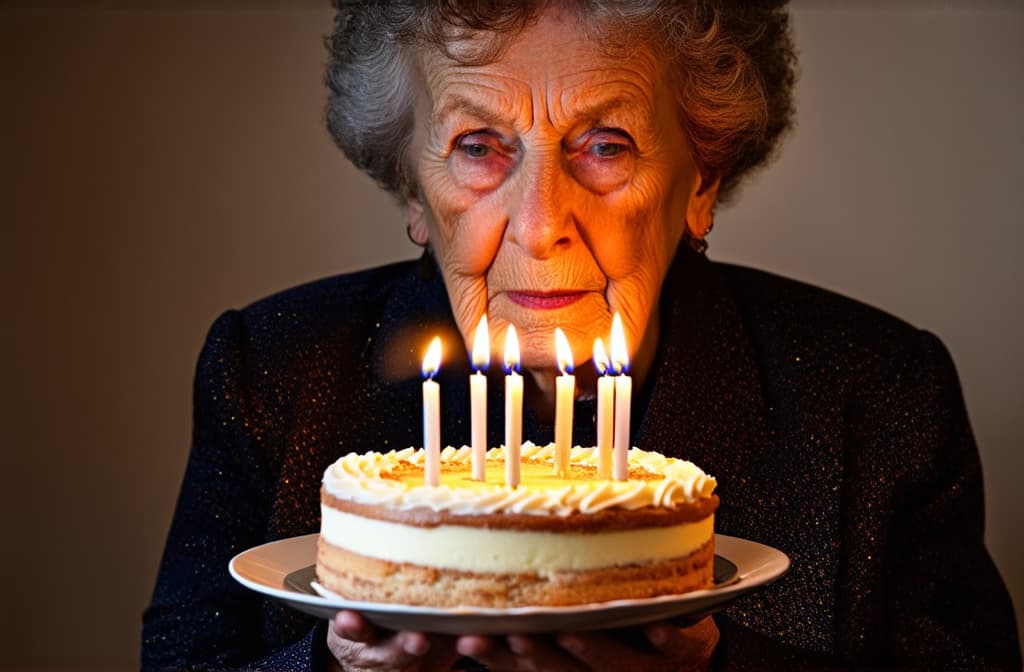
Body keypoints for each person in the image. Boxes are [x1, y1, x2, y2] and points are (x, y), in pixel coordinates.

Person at [143, 1, 1021, 670]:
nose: (539, 224)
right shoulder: (273, 369)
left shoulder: (878, 392)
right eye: (480, 146)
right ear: (413, 190)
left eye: (605, 145)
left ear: (702, 178)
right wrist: (330, 667)